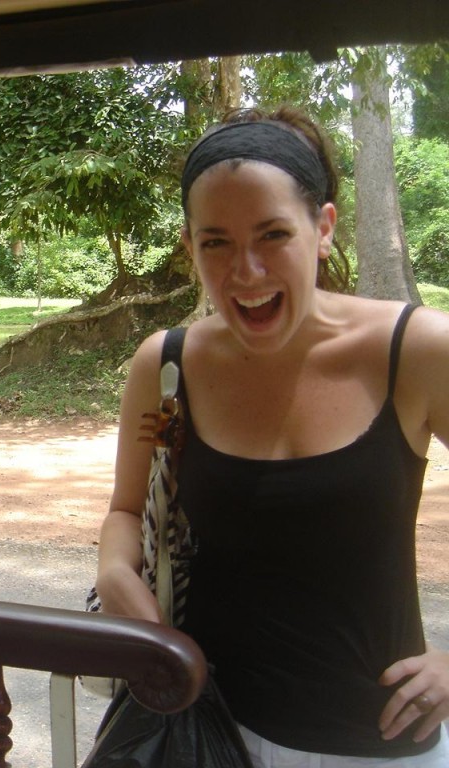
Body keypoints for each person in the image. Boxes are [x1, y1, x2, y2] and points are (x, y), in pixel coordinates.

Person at [94, 105, 449, 767]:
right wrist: (117, 576)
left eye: (273, 235)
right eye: (216, 242)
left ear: (323, 228)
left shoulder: (415, 351)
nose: (246, 271)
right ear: (189, 244)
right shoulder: (167, 366)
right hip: (205, 732)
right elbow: (124, 508)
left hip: (375, 745)